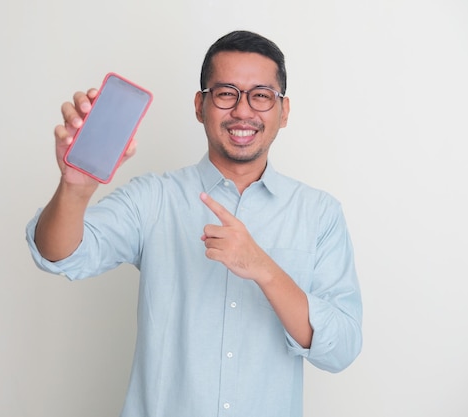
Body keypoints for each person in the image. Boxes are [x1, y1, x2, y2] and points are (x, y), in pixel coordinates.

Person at [26, 30, 362, 417]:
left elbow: (341, 348)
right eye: (226, 93)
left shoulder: (320, 213)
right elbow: (58, 255)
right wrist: (74, 189)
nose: (243, 111)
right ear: (200, 105)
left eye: (261, 95)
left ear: (283, 112)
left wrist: (264, 269)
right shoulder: (154, 198)